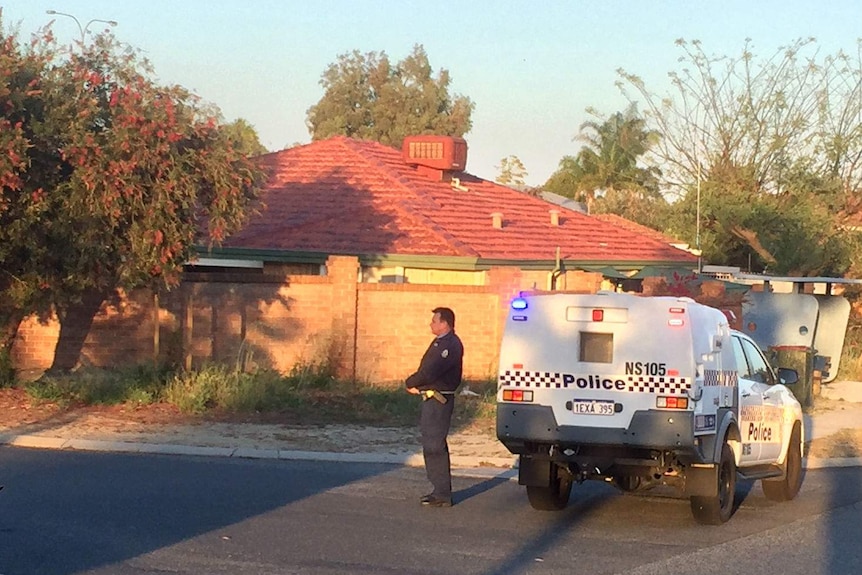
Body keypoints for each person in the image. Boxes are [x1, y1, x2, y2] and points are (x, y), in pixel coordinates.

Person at [405, 307, 464, 507]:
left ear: (444, 323)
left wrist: (411, 382)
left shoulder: (450, 345)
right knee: (430, 443)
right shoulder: (440, 342)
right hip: (431, 397)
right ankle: (438, 490)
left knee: (435, 444)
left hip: (440, 399)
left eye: (434, 321)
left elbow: (431, 371)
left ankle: (442, 493)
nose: (431, 324)